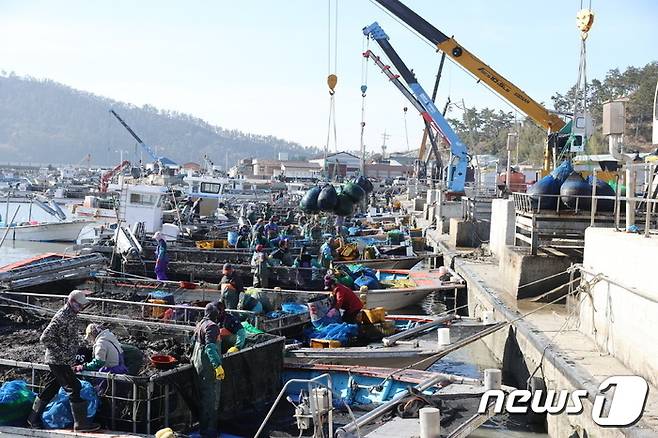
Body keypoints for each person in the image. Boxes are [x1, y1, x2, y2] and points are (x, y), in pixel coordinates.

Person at [27, 290, 100, 432]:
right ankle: (81, 424)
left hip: (62, 360)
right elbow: (45, 337)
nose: (82, 309)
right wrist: (62, 353)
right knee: (74, 387)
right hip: (58, 360)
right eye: (80, 306)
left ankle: (32, 418)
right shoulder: (62, 316)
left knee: (52, 388)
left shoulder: (71, 315)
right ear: (72, 302)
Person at [191, 303, 225, 438]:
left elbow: (193, 341)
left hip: (197, 360)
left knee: (203, 395)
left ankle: (203, 428)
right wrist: (217, 366)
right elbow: (210, 348)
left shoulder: (200, 323)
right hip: (207, 364)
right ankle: (208, 431)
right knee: (210, 398)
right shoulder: (212, 326)